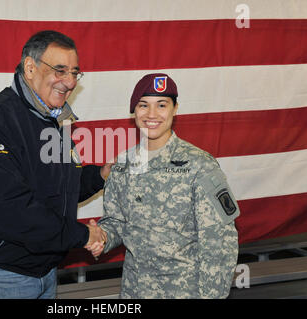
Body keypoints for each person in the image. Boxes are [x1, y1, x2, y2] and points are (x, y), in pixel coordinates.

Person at [0, 30, 107, 299]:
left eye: (75, 73)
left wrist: (100, 175)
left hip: (44, 271)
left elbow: (57, 190)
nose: (68, 82)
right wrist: (82, 236)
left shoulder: (52, 120)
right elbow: (9, 209)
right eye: (60, 70)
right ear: (30, 68)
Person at [88, 73, 239, 298]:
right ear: (134, 111)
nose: (151, 114)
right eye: (143, 105)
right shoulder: (122, 165)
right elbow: (117, 221)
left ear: (175, 109)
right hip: (135, 291)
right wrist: (102, 237)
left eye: (161, 105)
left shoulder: (199, 165)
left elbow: (219, 244)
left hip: (185, 292)